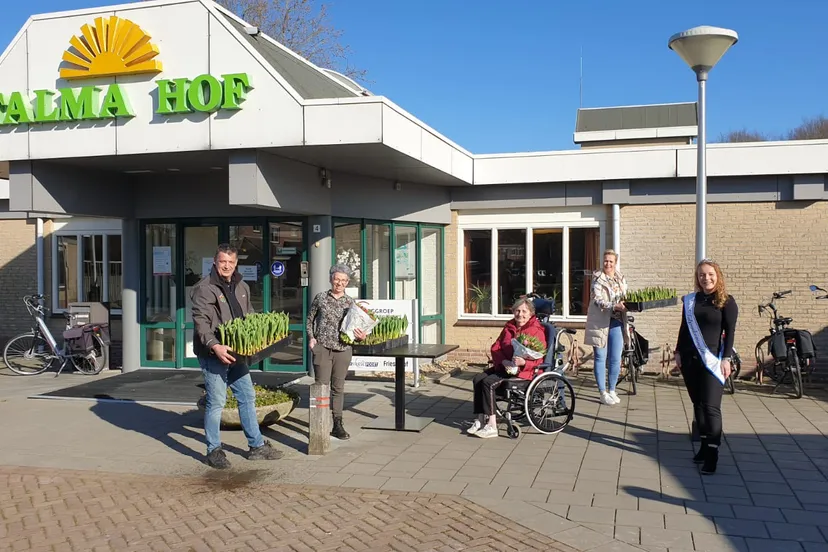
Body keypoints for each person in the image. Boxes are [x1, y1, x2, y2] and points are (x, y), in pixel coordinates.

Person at [191, 243, 282, 470]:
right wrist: (215, 346)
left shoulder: (241, 284)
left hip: (237, 354)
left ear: (236, 263)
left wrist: (261, 334)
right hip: (214, 354)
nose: (227, 266)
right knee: (217, 402)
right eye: (223, 262)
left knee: (247, 396)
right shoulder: (205, 288)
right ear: (215, 261)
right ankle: (213, 450)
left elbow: (248, 314)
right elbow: (201, 323)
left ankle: (256, 446)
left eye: (231, 262)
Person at [675, 259, 738, 475]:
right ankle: (703, 446)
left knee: (711, 407)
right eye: (702, 275)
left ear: (717, 276)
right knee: (698, 405)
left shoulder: (727, 302)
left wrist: (726, 358)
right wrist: (677, 351)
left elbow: (730, 333)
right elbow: (684, 328)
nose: (706, 278)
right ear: (697, 277)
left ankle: (713, 453)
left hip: (713, 361)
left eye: (710, 274)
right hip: (690, 359)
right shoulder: (691, 300)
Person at [468, 298, 548, 439]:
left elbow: (540, 358)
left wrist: (524, 362)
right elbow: (496, 347)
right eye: (517, 310)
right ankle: (480, 419)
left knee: (488, 383)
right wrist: (503, 361)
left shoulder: (536, 331)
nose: (520, 314)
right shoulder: (509, 327)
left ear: (531, 313)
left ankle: (492, 425)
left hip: (525, 372)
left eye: (524, 311)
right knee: (478, 379)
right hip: (505, 366)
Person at [307, 264, 367, 441]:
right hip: (323, 348)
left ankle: (337, 424)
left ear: (347, 282)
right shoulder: (320, 298)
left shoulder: (351, 303)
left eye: (343, 280)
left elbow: (357, 327)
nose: (339, 283)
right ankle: (320, 423)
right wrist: (311, 338)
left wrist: (361, 336)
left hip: (343, 350)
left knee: (338, 389)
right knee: (321, 386)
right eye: (336, 279)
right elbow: (310, 320)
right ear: (331, 279)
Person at [585, 249, 628, 406]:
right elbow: (598, 300)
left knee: (616, 358)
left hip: (616, 322)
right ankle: (602, 392)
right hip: (600, 322)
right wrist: (614, 305)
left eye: (611, 261)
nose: (607, 264)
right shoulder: (597, 279)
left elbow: (626, 296)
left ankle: (612, 390)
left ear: (615, 263)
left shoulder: (620, 278)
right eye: (605, 261)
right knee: (600, 357)